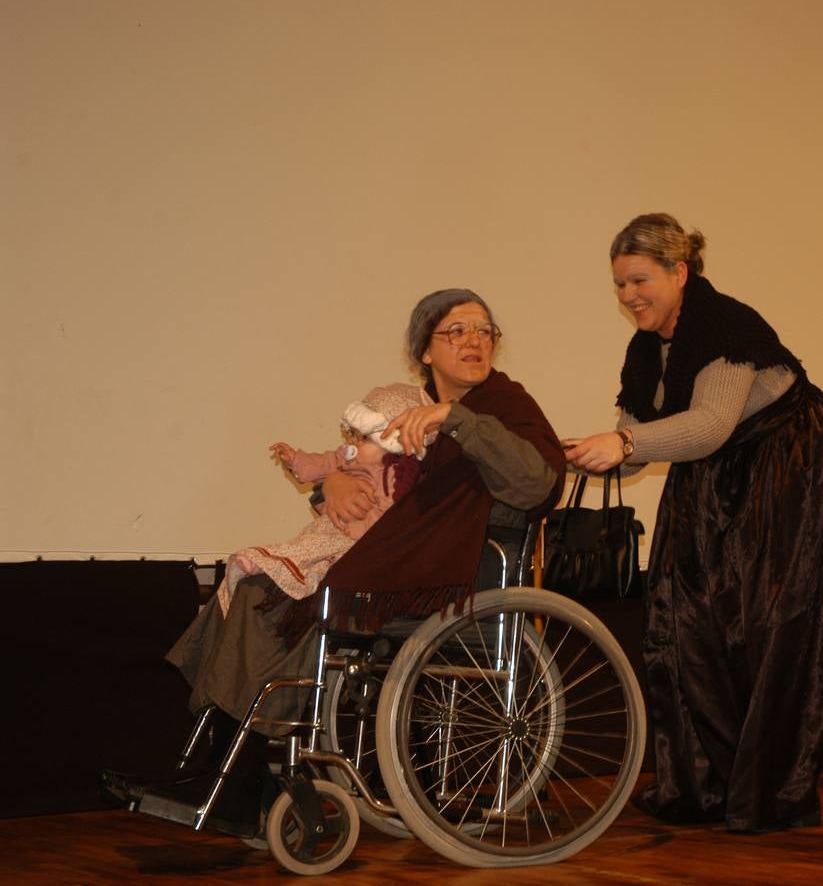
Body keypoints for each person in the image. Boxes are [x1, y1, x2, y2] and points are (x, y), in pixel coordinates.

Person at [103, 288, 565, 837]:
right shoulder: (398, 407)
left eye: (485, 331)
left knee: (284, 601)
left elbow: (537, 482)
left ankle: (236, 780)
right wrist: (334, 486)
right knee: (253, 588)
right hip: (391, 554)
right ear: (424, 350)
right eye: (457, 331)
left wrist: (458, 419)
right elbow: (370, 487)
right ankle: (218, 772)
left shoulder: (504, 406)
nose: (474, 341)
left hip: (439, 570)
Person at [565, 212, 823, 833]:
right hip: (714, 476)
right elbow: (646, 429)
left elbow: (707, 425)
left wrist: (622, 444)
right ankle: (703, 784)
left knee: (766, 624)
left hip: (789, 472)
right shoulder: (646, 348)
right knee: (684, 620)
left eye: (639, 280)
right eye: (619, 284)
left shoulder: (723, 322)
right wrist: (579, 456)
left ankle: (769, 790)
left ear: (680, 272)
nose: (628, 296)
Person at [215, 382, 433, 618]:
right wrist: (295, 459)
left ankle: (280, 568)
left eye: (364, 438)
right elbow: (320, 464)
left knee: (320, 556)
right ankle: (264, 560)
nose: (353, 444)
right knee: (307, 545)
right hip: (333, 528)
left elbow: (394, 517)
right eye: (353, 435)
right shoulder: (344, 459)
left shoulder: (397, 476)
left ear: (392, 445)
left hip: (360, 540)